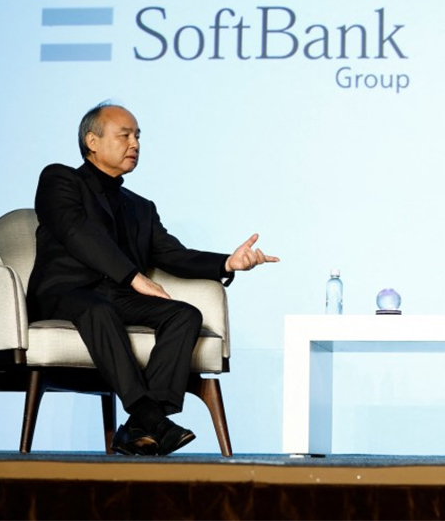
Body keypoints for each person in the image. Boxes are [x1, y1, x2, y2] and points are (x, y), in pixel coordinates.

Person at [27, 102, 280, 456]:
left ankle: (141, 425)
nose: (135, 144)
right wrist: (133, 277)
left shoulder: (141, 207)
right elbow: (76, 232)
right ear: (92, 141)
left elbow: (172, 255)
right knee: (99, 311)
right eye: (124, 135)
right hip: (66, 292)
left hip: (115, 295)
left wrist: (227, 262)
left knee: (184, 315)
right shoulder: (60, 180)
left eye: (138, 136)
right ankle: (152, 419)